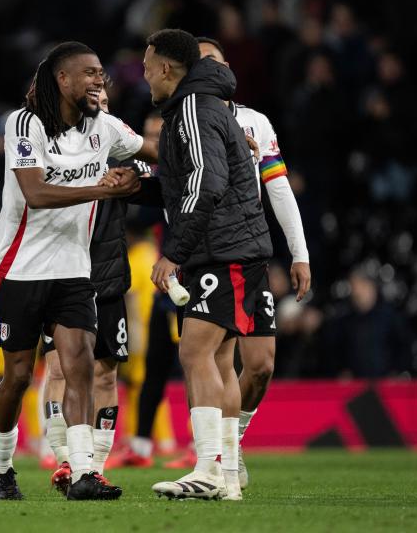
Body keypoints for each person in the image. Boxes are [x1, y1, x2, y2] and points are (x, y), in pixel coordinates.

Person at [0, 41, 155, 501]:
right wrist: (102, 189)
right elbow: (36, 193)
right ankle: (2, 466)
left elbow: (152, 149)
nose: (100, 80)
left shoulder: (104, 126)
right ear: (63, 80)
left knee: (79, 361)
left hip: (73, 269)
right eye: (90, 73)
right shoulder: (22, 125)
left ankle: (83, 472)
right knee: (19, 376)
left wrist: (213, 141)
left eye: (101, 73)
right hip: (18, 267)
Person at [141, 29, 272, 501]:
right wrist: (134, 188)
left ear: (167, 69)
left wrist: (174, 251)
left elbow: (207, 181)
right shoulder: (196, 106)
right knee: (217, 358)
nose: (144, 74)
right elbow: (187, 183)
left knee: (194, 352)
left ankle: (209, 469)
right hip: (232, 246)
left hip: (223, 249)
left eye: (147, 66)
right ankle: (228, 476)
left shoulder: (193, 108)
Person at [197, 36, 311, 488]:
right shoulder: (182, 124)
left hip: (251, 255)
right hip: (207, 256)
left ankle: (233, 442)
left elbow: (278, 189)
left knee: (261, 365)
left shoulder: (255, 123)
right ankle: (215, 457)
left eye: (217, 62)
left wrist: (298, 253)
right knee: (213, 359)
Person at [39, 89, 153, 492]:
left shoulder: (125, 155)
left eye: (104, 102)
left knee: (106, 374)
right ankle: (66, 460)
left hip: (108, 281)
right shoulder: (54, 149)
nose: (99, 108)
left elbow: (161, 177)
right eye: (92, 101)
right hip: (63, 276)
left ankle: (96, 465)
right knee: (58, 369)